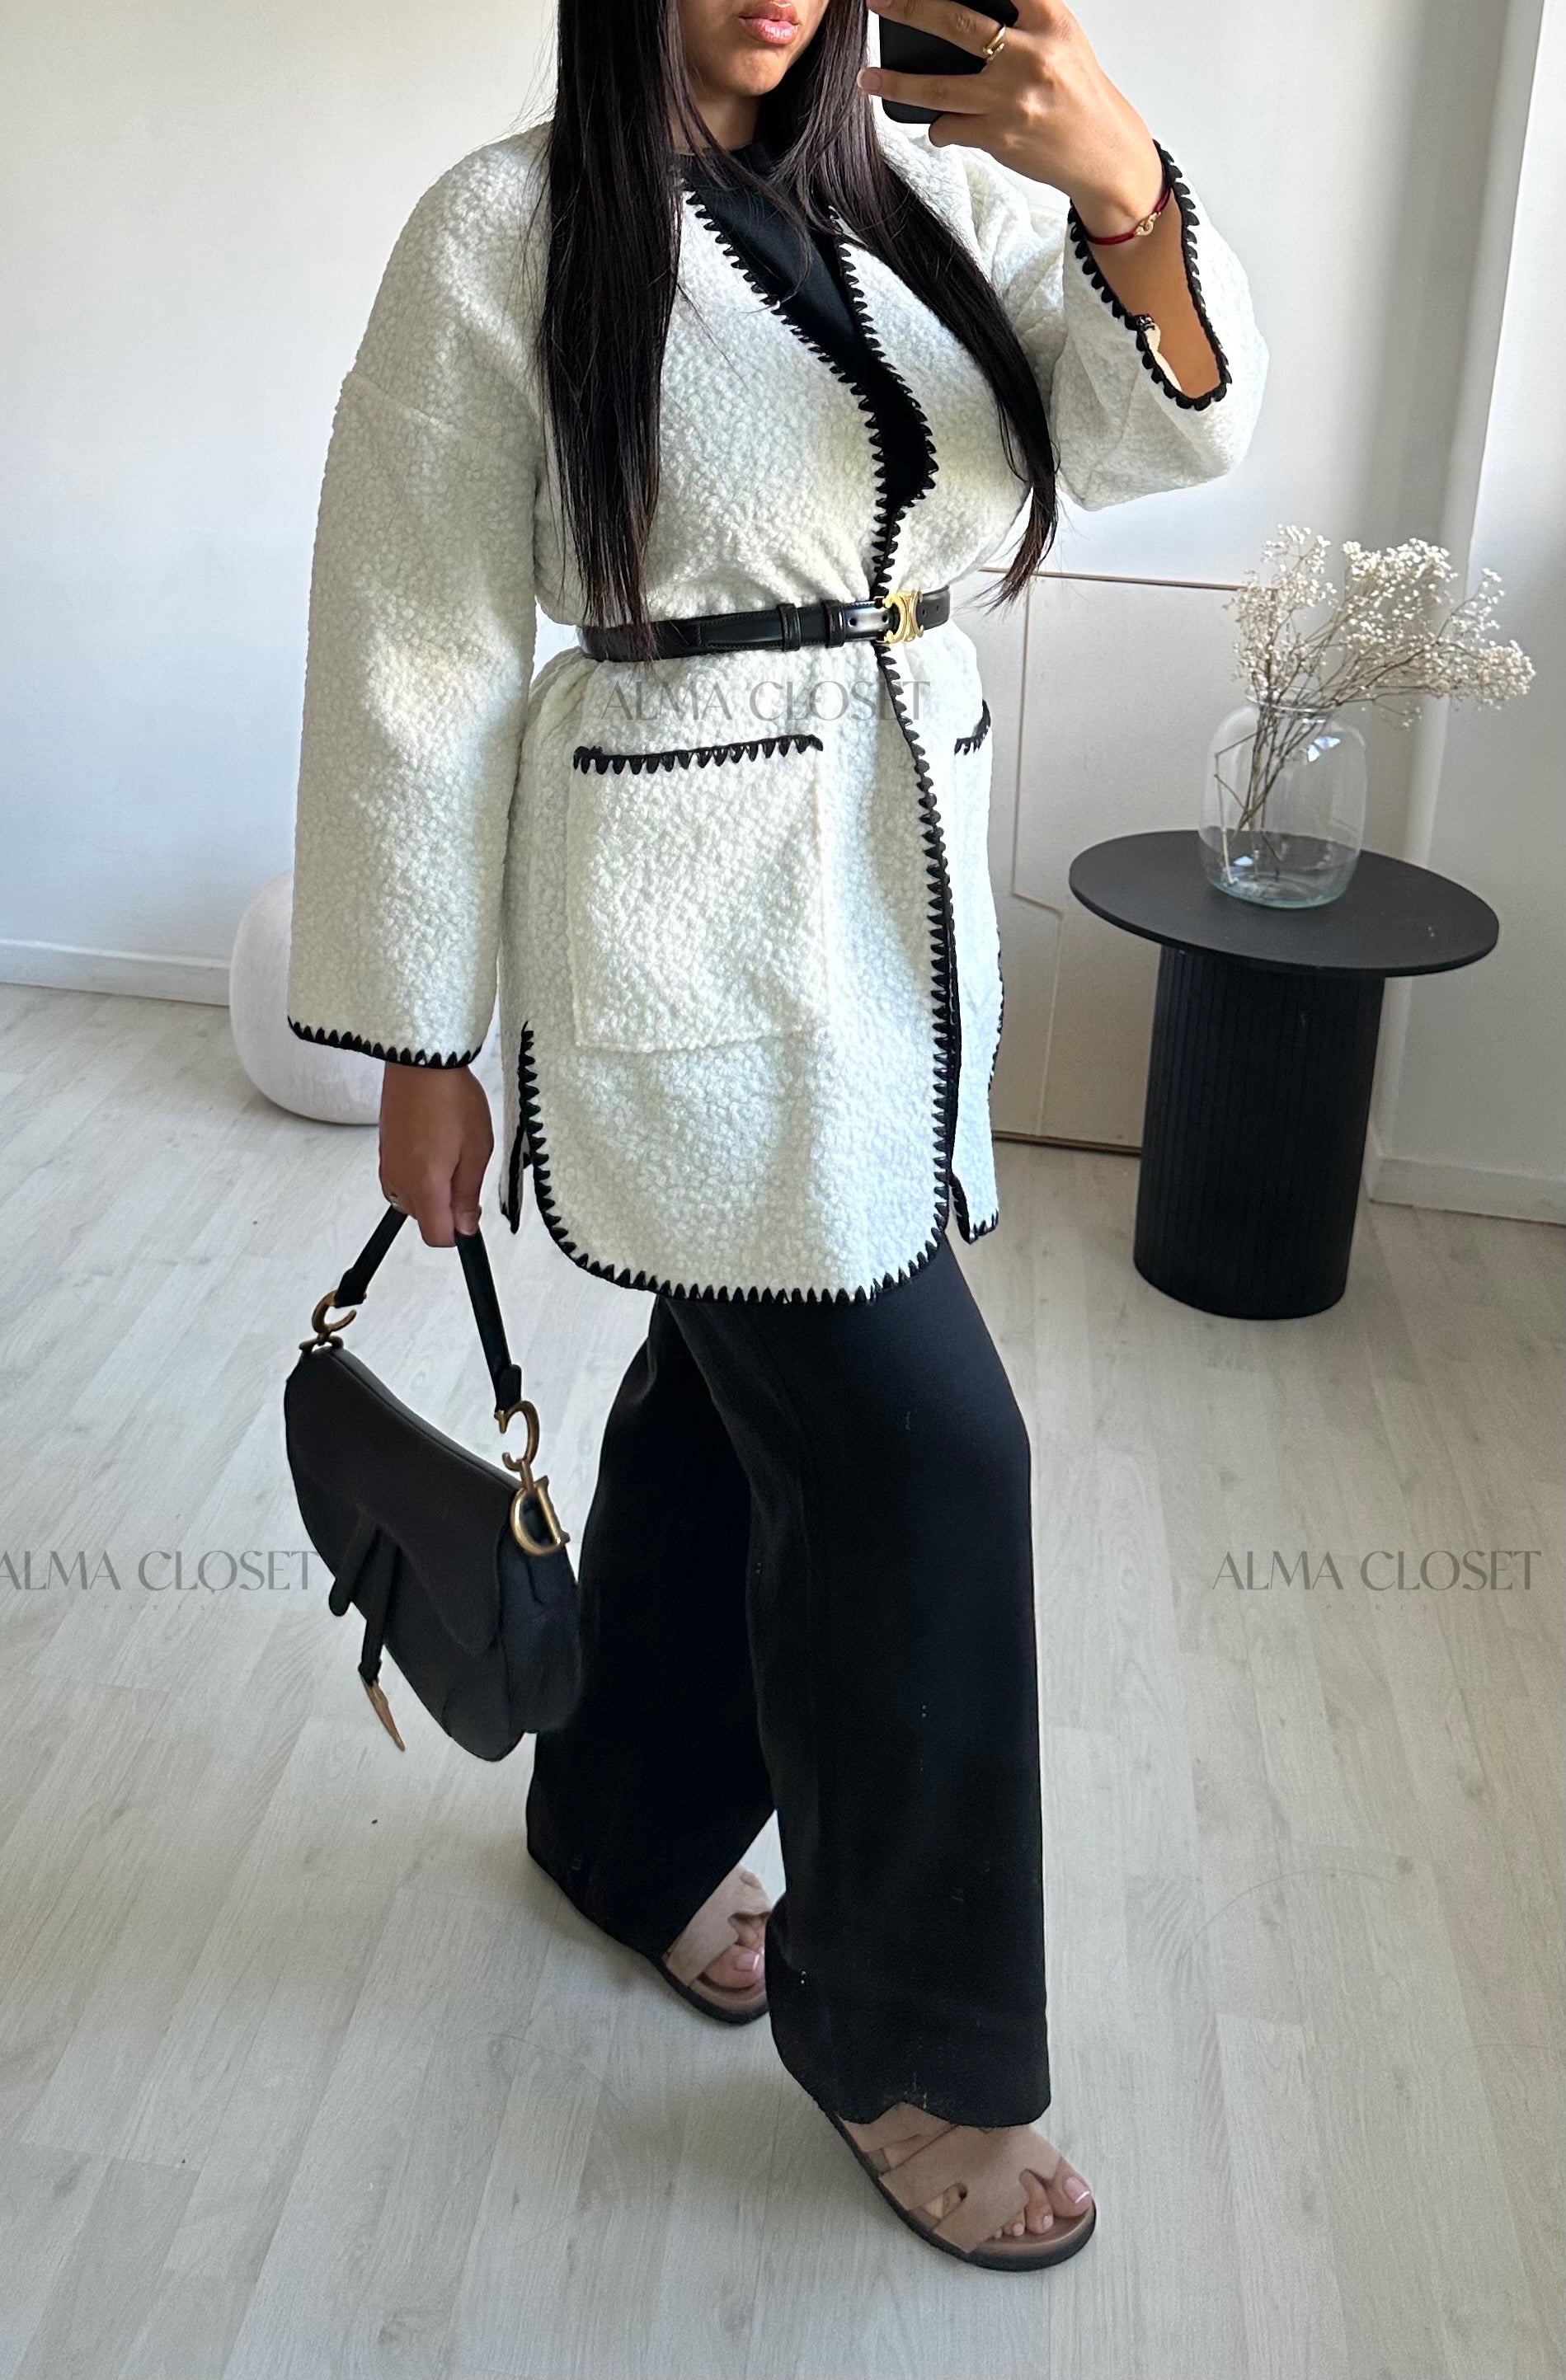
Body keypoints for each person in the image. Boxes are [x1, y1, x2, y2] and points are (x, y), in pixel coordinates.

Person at [285, 0, 1266, 2269]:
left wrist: (1126, 192)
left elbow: (1158, 438)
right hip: (680, 937)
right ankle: (909, 2042)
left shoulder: (942, 204)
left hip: (888, 908)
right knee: (926, 1458)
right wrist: (422, 1037)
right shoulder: (504, 233)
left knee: (738, 1419)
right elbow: (412, 646)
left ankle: (618, 1835)